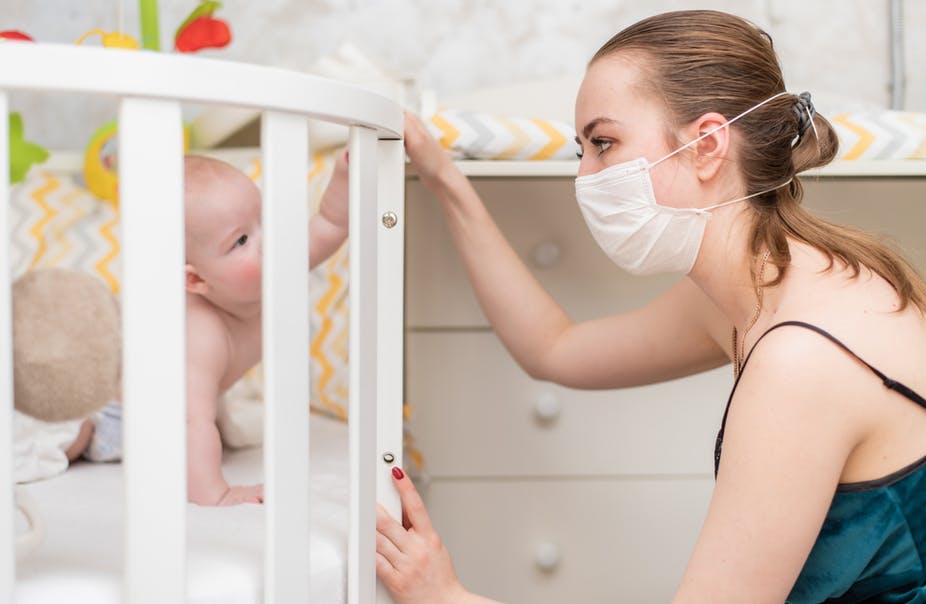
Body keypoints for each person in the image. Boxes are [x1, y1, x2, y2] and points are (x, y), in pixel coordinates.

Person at [376, 9, 926, 603]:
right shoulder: (788, 277)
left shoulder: (801, 359)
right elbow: (555, 350)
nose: (584, 175)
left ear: (708, 146)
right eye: (582, 149)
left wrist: (445, 597)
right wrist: (445, 182)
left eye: (603, 143)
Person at [184, 152, 349, 505]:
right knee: (78, 435)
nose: (268, 241)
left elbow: (329, 224)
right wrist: (216, 494)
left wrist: (345, 176)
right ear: (196, 279)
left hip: (194, 408)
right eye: (241, 240)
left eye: (265, 221)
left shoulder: (273, 266)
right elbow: (191, 421)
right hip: (124, 415)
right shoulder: (202, 333)